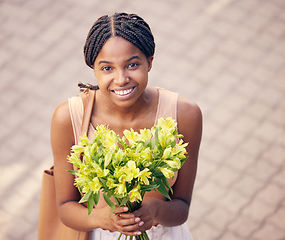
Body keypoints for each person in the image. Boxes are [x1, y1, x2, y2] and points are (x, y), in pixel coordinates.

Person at [50, 12, 202, 240]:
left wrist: (155, 211)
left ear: (149, 62)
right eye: (107, 68)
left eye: (132, 64)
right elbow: (65, 207)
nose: (121, 79)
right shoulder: (68, 118)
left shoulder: (185, 115)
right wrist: (102, 219)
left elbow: (181, 208)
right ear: (93, 68)